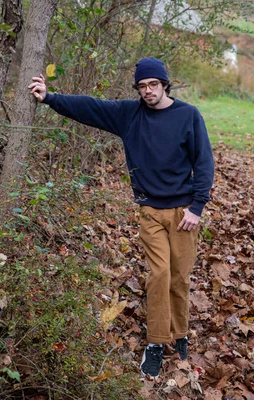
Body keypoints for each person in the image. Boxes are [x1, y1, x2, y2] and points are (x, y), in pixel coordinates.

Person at [29, 57, 214, 379]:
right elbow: (90, 107)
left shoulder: (188, 115)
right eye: (142, 86)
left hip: (184, 212)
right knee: (159, 274)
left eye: (153, 84)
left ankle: (180, 333)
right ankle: (156, 343)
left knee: (179, 278)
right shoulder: (130, 115)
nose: (147, 91)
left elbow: (205, 162)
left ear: (165, 84)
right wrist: (50, 98)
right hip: (150, 211)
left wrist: (198, 208)